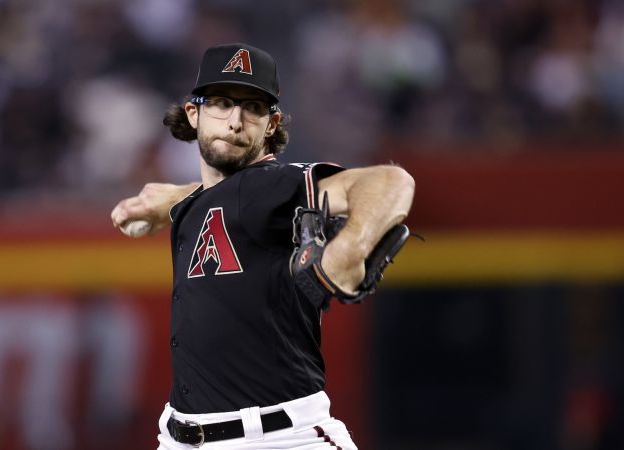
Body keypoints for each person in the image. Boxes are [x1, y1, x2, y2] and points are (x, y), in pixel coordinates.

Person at [111, 43, 415, 449]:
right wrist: (176, 200)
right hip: (180, 437)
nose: (236, 121)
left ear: (271, 125)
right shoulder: (206, 200)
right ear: (192, 113)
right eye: (220, 102)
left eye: (253, 108)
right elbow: (222, 196)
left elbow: (391, 183)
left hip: (279, 438)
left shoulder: (271, 186)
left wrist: (350, 249)